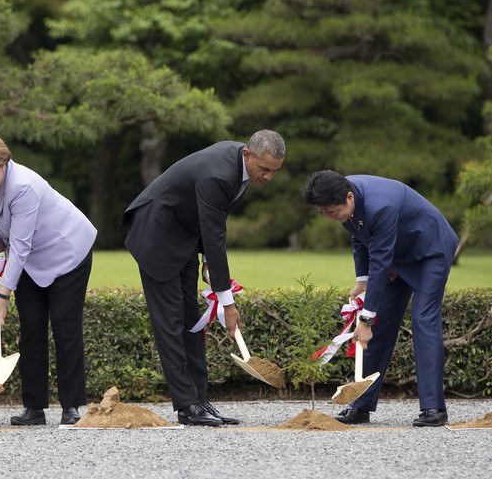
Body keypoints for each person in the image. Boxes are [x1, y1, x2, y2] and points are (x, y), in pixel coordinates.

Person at [120, 130, 285, 426]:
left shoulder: (242, 167)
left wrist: (208, 264)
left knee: (192, 322)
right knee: (171, 322)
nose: (268, 177)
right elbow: (215, 237)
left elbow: (214, 221)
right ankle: (186, 406)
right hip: (155, 233)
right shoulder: (218, 176)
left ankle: (199, 400)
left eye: (274, 171)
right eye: (264, 169)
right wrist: (227, 302)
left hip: (184, 235)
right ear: (248, 154)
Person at [302, 170, 458, 427]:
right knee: (380, 324)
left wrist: (365, 319)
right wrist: (361, 280)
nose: (330, 218)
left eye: (332, 212)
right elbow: (359, 239)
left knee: (423, 320)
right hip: (398, 256)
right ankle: (361, 406)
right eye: (323, 213)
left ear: (349, 197)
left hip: (430, 251)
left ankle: (434, 408)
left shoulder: (380, 206)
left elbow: (381, 260)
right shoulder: (340, 196)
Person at [0, 134, 97, 426]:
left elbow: (20, 247)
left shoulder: (24, 186)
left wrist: (3, 295)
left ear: (3, 165)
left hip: (66, 251)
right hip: (29, 258)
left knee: (64, 325)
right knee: (31, 328)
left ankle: (71, 406)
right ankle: (33, 407)